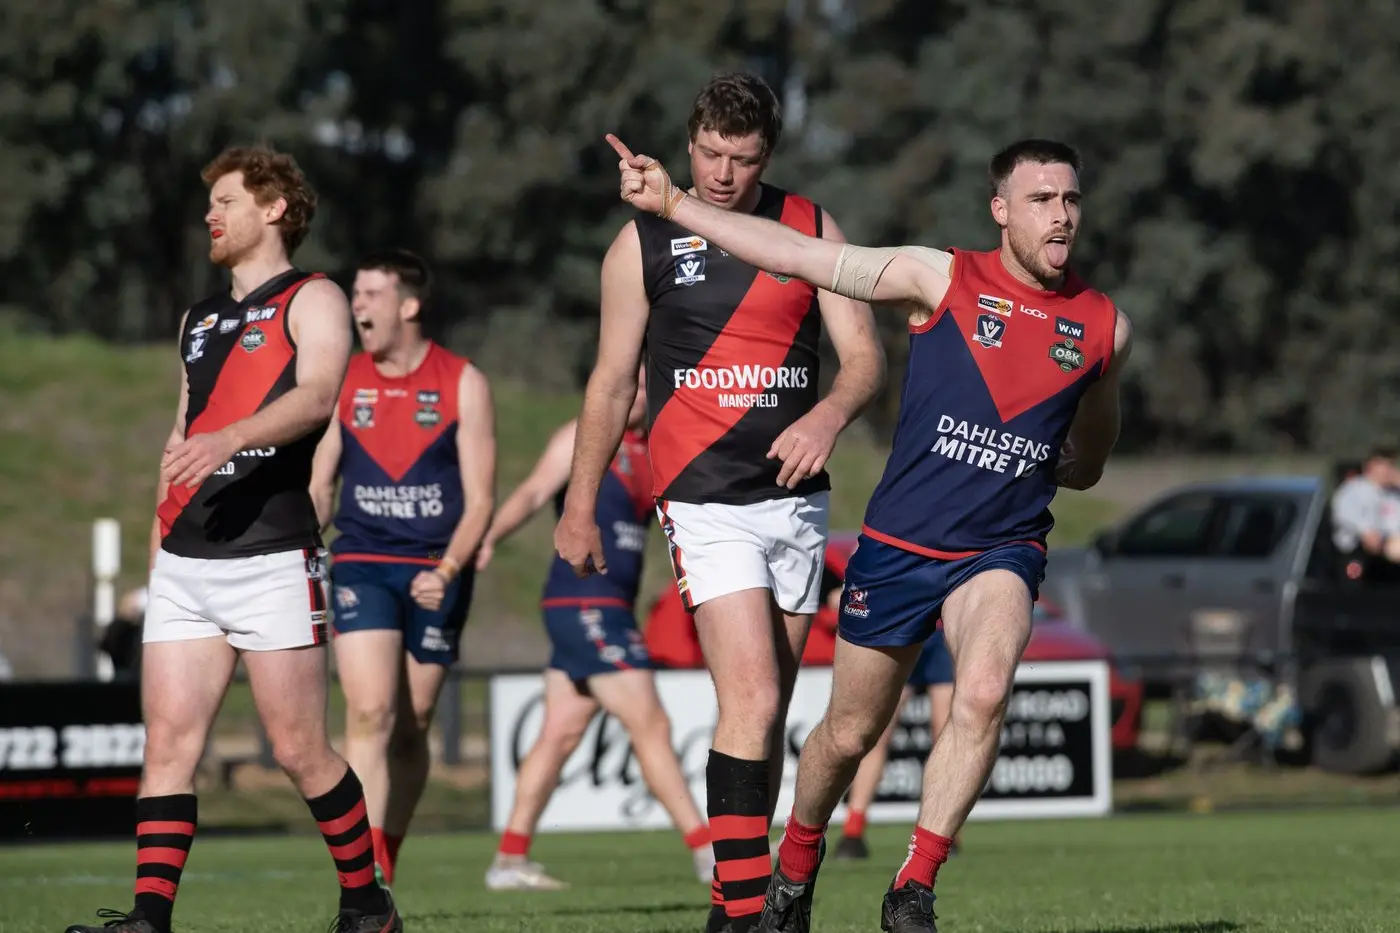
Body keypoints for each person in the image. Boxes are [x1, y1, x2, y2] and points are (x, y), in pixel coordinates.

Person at [605, 133, 1132, 933]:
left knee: (983, 691)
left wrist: (1068, 462)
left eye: (1070, 200)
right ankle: (797, 861)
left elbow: (1091, 452)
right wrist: (677, 205)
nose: (1061, 215)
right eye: (1041, 200)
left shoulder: (1104, 326)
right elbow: (800, 255)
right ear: (1001, 210)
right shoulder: (939, 276)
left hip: (1003, 547)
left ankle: (913, 886)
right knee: (848, 733)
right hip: (900, 546)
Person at [555, 73, 884, 933]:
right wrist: (580, 503)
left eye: (742, 159)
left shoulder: (810, 227)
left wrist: (827, 414)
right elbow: (610, 382)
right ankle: (747, 912)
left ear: (767, 154)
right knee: (751, 699)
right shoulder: (642, 241)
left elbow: (863, 358)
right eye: (709, 154)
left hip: (795, 502)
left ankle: (730, 899)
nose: (723, 174)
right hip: (702, 500)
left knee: (766, 714)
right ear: (689, 142)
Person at [66, 146, 399, 933]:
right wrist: (158, 552)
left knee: (298, 749)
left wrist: (231, 438)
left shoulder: (314, 297)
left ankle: (367, 904)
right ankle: (148, 919)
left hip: (272, 556)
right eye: (209, 203)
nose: (209, 216)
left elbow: (317, 396)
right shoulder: (198, 318)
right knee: (167, 747)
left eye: (225, 201)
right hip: (186, 562)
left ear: (274, 207)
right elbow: (180, 437)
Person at [476, 365, 715, 890]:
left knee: (559, 733)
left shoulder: (655, 451)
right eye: (635, 382)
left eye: (648, 385)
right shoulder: (582, 436)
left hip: (609, 606)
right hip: (584, 601)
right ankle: (708, 852)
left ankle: (509, 860)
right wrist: (485, 537)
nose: (640, 394)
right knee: (650, 723)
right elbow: (533, 492)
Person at [308, 249, 496, 888]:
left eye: (370, 294)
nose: (356, 305)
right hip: (361, 560)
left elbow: (482, 501)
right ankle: (362, 882)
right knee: (370, 713)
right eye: (354, 294)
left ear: (409, 305)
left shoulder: (463, 381)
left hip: (435, 568)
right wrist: (302, 534)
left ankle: (384, 854)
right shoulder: (344, 379)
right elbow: (321, 483)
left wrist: (446, 570)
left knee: (413, 727)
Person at [834, 631, 955, 861]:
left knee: (947, 738)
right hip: (904, 628)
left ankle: (944, 832)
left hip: (942, 632)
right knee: (877, 733)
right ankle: (853, 831)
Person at [1329, 445, 1400, 572]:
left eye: (1390, 465)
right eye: (1383, 465)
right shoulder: (1354, 488)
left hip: (1387, 552)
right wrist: (1366, 531)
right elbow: (1344, 513)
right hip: (1357, 553)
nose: (1388, 471)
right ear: (1370, 466)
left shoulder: (1393, 494)